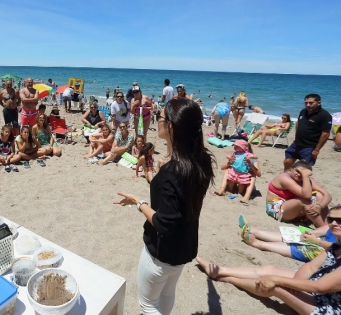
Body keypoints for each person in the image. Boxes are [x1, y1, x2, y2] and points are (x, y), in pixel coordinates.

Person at [113, 98, 215, 315]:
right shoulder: (201, 161)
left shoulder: (173, 172)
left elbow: (163, 223)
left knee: (148, 304)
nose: (157, 120)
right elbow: (178, 202)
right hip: (184, 247)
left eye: (160, 117)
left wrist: (138, 202)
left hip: (161, 253)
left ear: (170, 126)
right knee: (167, 293)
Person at [196, 205, 341, 315]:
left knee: (275, 286)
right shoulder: (336, 245)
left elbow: (320, 287)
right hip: (317, 284)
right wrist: (295, 282)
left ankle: (228, 278)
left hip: (329, 307)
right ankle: (220, 270)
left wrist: (278, 280)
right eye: (331, 219)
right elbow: (311, 267)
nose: (334, 223)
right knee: (270, 270)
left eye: (339, 220)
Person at [238, 214, 337, 263]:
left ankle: (258, 243)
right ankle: (255, 231)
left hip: (332, 251)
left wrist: (317, 241)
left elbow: (338, 248)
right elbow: (329, 226)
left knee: (305, 249)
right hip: (326, 238)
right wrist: (312, 233)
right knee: (297, 234)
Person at [266, 160, 332, 227]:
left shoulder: (305, 179)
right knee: (305, 200)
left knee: (319, 195)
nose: (299, 174)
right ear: (291, 169)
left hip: (293, 209)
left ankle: (327, 225)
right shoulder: (284, 178)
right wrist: (305, 176)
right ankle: (324, 229)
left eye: (303, 173)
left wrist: (319, 207)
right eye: (297, 171)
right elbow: (307, 196)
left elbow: (327, 195)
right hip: (276, 209)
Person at [284, 94, 332, 170]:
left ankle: (301, 181)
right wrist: (297, 136)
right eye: (306, 103)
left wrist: (317, 150)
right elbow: (298, 123)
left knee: (303, 168)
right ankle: (286, 178)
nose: (308, 105)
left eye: (311, 103)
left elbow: (325, 134)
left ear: (318, 103)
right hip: (297, 144)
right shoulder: (303, 111)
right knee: (287, 162)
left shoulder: (324, 115)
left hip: (310, 147)